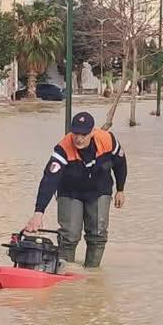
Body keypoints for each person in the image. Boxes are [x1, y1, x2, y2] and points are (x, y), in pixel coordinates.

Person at [26, 112, 127, 268]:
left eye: (84, 135)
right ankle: (65, 271)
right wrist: (39, 212)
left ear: (92, 132)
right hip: (70, 192)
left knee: (98, 234)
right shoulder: (62, 148)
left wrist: (120, 189)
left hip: (99, 190)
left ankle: (92, 273)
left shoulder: (107, 140)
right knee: (70, 235)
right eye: (76, 134)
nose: (79, 139)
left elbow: (120, 163)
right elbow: (49, 179)